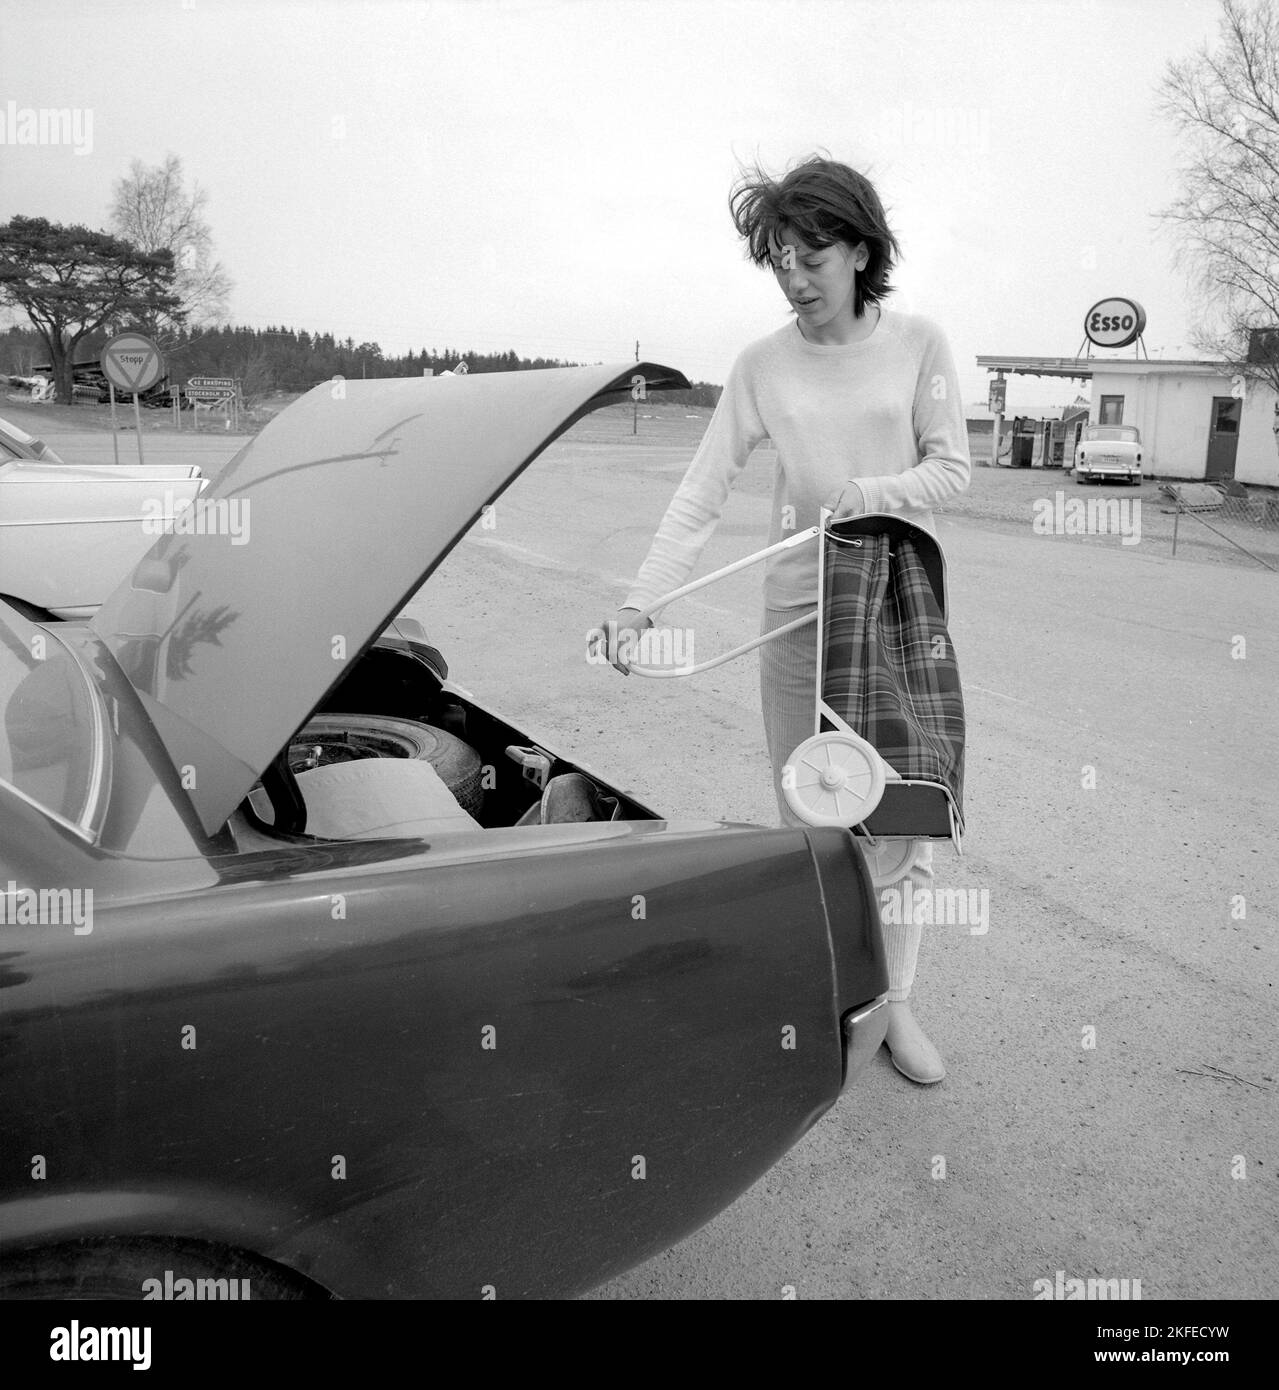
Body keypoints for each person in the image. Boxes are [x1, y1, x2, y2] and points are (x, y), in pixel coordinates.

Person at [598, 155, 971, 1083]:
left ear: (857, 248)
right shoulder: (761, 365)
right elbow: (701, 492)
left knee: (900, 820)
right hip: (797, 619)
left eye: (811, 255)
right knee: (814, 819)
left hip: (888, 612)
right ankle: (843, 998)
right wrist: (642, 601)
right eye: (777, 260)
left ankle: (896, 1009)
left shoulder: (919, 344)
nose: (794, 279)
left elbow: (952, 469)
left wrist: (870, 491)